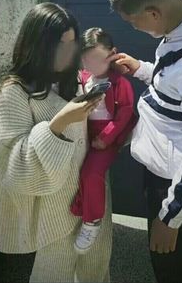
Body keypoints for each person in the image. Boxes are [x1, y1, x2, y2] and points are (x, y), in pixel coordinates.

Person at [0, 2, 113, 283]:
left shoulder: (76, 80)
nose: (68, 53)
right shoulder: (15, 92)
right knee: (52, 275)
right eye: (60, 44)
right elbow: (12, 166)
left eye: (72, 44)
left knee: (97, 272)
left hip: (95, 199)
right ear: (37, 44)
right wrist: (59, 123)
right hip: (55, 211)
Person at [109, 0, 182, 283]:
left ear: (153, 13)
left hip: (175, 184)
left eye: (134, 22)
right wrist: (142, 69)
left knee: (174, 270)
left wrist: (171, 216)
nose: (134, 27)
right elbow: (175, 89)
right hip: (166, 174)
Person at [70, 27, 137, 254]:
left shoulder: (120, 83)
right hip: (84, 133)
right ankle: (82, 204)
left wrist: (106, 138)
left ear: (112, 54)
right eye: (85, 61)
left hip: (106, 136)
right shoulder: (84, 77)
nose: (90, 67)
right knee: (78, 169)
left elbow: (125, 113)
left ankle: (92, 221)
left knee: (91, 172)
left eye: (96, 61)